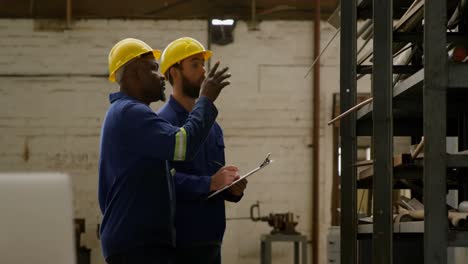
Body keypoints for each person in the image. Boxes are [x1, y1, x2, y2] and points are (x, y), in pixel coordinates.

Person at [98, 38, 233, 264]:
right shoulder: (131, 113)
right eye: (152, 69)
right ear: (133, 74)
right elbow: (183, 147)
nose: (161, 76)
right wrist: (206, 99)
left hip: (142, 242)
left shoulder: (130, 114)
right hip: (138, 245)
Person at [157, 37, 247, 264]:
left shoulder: (212, 126)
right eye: (195, 64)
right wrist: (211, 183)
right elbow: (160, 180)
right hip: (178, 242)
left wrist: (231, 188)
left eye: (203, 64)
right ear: (174, 72)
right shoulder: (162, 123)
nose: (204, 72)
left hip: (211, 239)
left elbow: (214, 177)